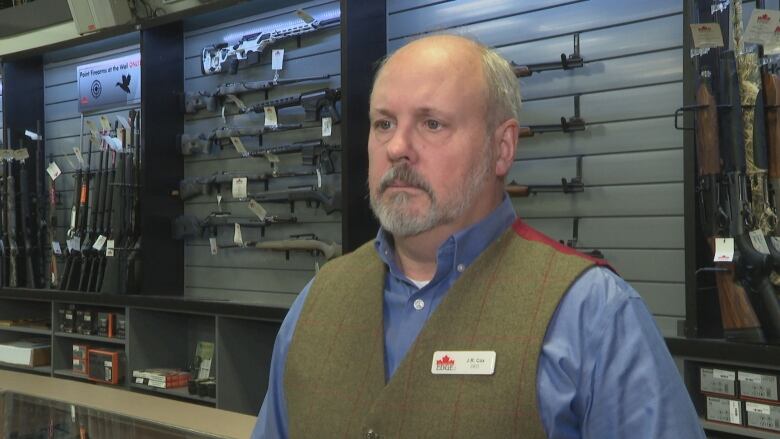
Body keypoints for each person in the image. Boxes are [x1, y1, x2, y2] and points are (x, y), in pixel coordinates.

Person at [251, 34, 705, 438]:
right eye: (383, 123)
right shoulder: (315, 302)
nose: (396, 147)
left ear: (502, 147)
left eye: (432, 123)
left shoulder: (594, 316)